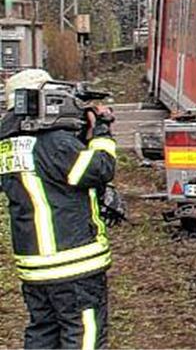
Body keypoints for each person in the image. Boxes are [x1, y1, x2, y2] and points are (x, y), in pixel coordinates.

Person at [0, 69, 117, 349]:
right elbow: (99, 169)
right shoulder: (55, 142)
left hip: (33, 265)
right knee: (83, 333)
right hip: (72, 263)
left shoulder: (7, 146)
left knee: (43, 332)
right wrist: (102, 131)